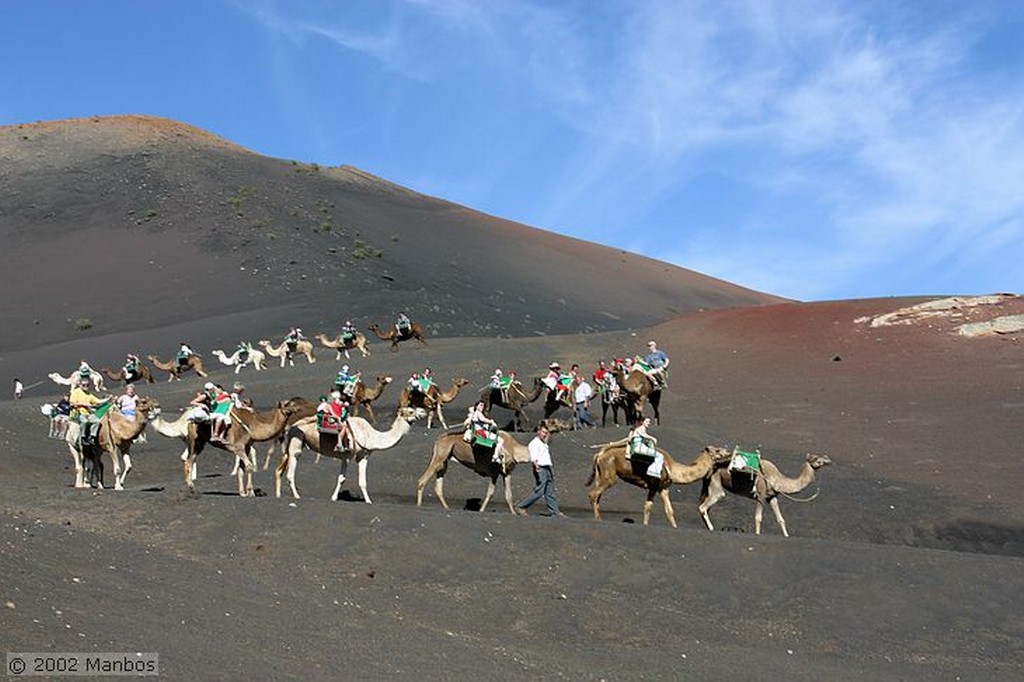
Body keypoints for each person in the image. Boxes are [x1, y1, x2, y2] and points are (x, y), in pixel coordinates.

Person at [514, 425, 566, 517]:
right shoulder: (534, 443)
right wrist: (536, 466)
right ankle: (521, 506)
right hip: (540, 468)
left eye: (546, 433)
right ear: (538, 431)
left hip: (547, 468)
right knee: (540, 491)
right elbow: (533, 456)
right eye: (543, 432)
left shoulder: (543, 443)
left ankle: (555, 512)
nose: (544, 434)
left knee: (549, 491)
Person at [70, 378, 109, 446]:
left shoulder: (88, 394)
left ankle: (92, 436)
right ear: (80, 385)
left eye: (87, 385)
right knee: (85, 422)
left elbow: (98, 401)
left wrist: (107, 399)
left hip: (88, 413)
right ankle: (83, 437)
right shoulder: (76, 392)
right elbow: (72, 403)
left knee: (97, 421)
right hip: (79, 413)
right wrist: (83, 404)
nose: (86, 386)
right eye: (84, 385)